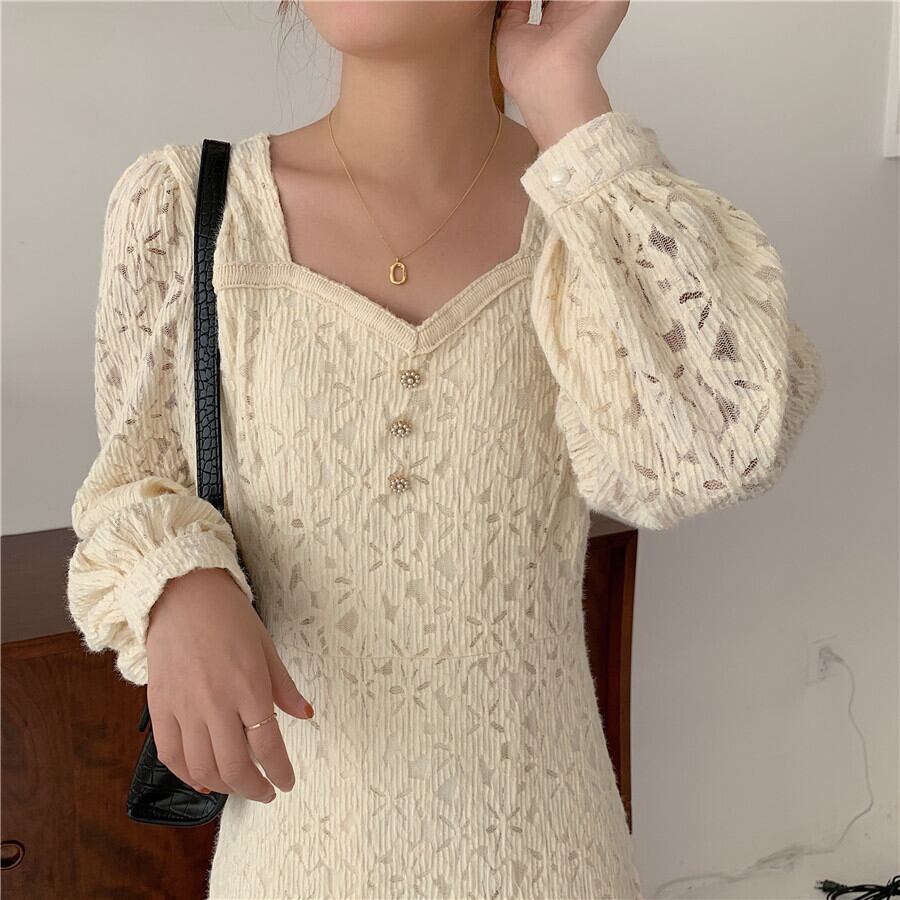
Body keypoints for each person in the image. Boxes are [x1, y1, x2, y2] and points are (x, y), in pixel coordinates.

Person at [65, 1, 824, 898]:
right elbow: (131, 484)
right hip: (296, 862)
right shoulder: (190, 209)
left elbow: (718, 448)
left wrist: (562, 91)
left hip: (549, 859)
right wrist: (176, 582)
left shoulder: (588, 215)